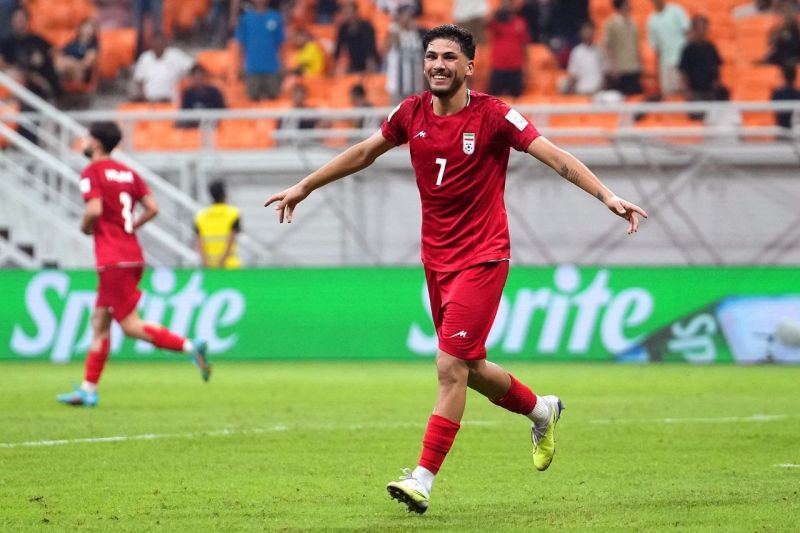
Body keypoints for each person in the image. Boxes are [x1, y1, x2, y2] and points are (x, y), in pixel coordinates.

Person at [264, 25, 647, 514]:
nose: (438, 65)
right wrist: (305, 186)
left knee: (448, 366)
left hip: (483, 256)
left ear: (469, 66)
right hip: (436, 261)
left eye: (448, 57)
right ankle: (542, 410)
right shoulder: (410, 113)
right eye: (431, 56)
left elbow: (554, 156)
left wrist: (607, 196)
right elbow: (363, 152)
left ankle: (422, 479)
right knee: (469, 367)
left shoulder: (494, 116)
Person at [57, 122, 211, 407]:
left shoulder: (91, 172)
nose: (83, 141)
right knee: (100, 322)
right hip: (131, 254)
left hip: (112, 259)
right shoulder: (129, 173)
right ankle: (88, 389)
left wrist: (85, 227)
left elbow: (94, 210)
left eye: (87, 137)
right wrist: (130, 227)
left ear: (97, 143)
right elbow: (153, 208)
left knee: (129, 325)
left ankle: (190, 346)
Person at [235, 0, 285, 101]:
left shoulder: (275, 17)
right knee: (252, 100)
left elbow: (280, 45)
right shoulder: (246, 19)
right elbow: (241, 45)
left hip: (272, 68)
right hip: (252, 68)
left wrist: (282, 64)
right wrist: (240, 65)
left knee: (275, 100)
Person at [131, 32, 194, 102]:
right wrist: (144, 98)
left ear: (165, 43)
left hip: (170, 102)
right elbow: (139, 80)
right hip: (150, 102)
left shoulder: (175, 55)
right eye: (156, 43)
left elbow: (194, 68)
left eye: (161, 43)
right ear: (151, 44)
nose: (159, 45)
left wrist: (187, 83)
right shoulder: (145, 57)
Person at [194, 180, 242, 269]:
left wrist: (205, 261)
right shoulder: (233, 213)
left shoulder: (201, 215)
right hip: (229, 264)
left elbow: (199, 241)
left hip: (209, 264)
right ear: (224, 194)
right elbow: (231, 238)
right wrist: (222, 261)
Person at [647, 0, 689, 97]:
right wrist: (658, 72)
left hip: (681, 61)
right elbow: (656, 48)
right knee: (668, 94)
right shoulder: (652, 20)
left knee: (683, 93)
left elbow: (687, 33)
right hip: (665, 64)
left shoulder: (676, 11)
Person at [487, 0, 529, 98]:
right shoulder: (496, 22)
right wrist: (497, 11)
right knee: (494, 99)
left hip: (515, 67)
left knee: (517, 100)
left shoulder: (520, 22)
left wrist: (526, 66)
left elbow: (524, 45)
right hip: (498, 66)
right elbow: (486, 22)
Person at [385, 5, 426, 104]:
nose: (409, 18)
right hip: (398, 88)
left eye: (411, 15)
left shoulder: (418, 35)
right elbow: (387, 48)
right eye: (406, 15)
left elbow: (423, 60)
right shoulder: (394, 32)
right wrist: (397, 25)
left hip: (416, 87)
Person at [678, 15, 723, 102]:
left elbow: (717, 66)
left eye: (704, 28)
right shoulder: (688, 50)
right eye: (699, 28)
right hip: (694, 92)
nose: (702, 31)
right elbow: (683, 72)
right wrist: (687, 90)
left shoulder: (711, 47)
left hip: (710, 91)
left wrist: (717, 82)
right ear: (694, 29)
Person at [604, 0, 642, 96]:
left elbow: (636, 45)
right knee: (622, 96)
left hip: (634, 66)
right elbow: (608, 46)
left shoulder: (633, 23)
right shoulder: (611, 24)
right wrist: (612, 66)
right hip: (621, 68)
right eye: (627, 4)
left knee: (635, 95)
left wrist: (639, 63)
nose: (629, 6)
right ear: (621, 6)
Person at [333, 1, 380, 74]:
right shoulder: (343, 29)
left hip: (369, 61)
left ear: (355, 12)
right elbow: (338, 49)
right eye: (345, 13)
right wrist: (336, 66)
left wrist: (370, 66)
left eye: (349, 13)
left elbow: (370, 49)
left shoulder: (366, 26)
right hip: (354, 64)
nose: (347, 15)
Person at [561, 20, 605, 95]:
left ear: (593, 31)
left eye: (589, 29)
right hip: (581, 92)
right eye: (585, 30)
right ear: (580, 32)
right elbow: (573, 75)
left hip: (598, 92)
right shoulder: (576, 51)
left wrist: (601, 89)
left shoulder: (600, 50)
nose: (587, 32)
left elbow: (605, 73)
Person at [178, 64, 226, 128]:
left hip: (212, 124)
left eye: (201, 77)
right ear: (191, 78)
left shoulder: (214, 92)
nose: (199, 81)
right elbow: (184, 112)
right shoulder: (187, 93)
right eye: (196, 78)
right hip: (192, 125)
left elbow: (222, 110)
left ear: (205, 77)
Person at [55, 18, 99, 85]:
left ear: (94, 31)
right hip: (65, 68)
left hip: (80, 73)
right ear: (80, 28)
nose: (87, 30)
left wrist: (72, 62)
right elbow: (61, 53)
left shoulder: (92, 47)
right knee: (57, 60)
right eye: (85, 27)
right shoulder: (73, 42)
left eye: (90, 28)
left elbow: (86, 64)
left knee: (66, 63)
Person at [771, 63, 800, 129]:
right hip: (795, 128)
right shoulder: (797, 93)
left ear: (783, 76)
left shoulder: (777, 93)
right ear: (795, 77)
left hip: (781, 127)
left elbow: (772, 107)